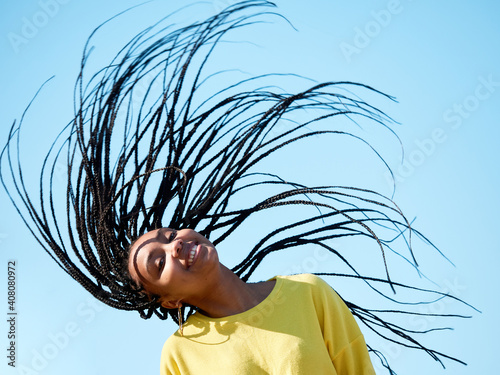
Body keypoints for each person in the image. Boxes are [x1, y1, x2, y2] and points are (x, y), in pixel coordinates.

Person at [0, 1, 469, 373]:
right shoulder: (182, 356)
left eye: (167, 236)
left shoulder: (308, 293)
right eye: (158, 263)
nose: (175, 247)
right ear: (169, 300)